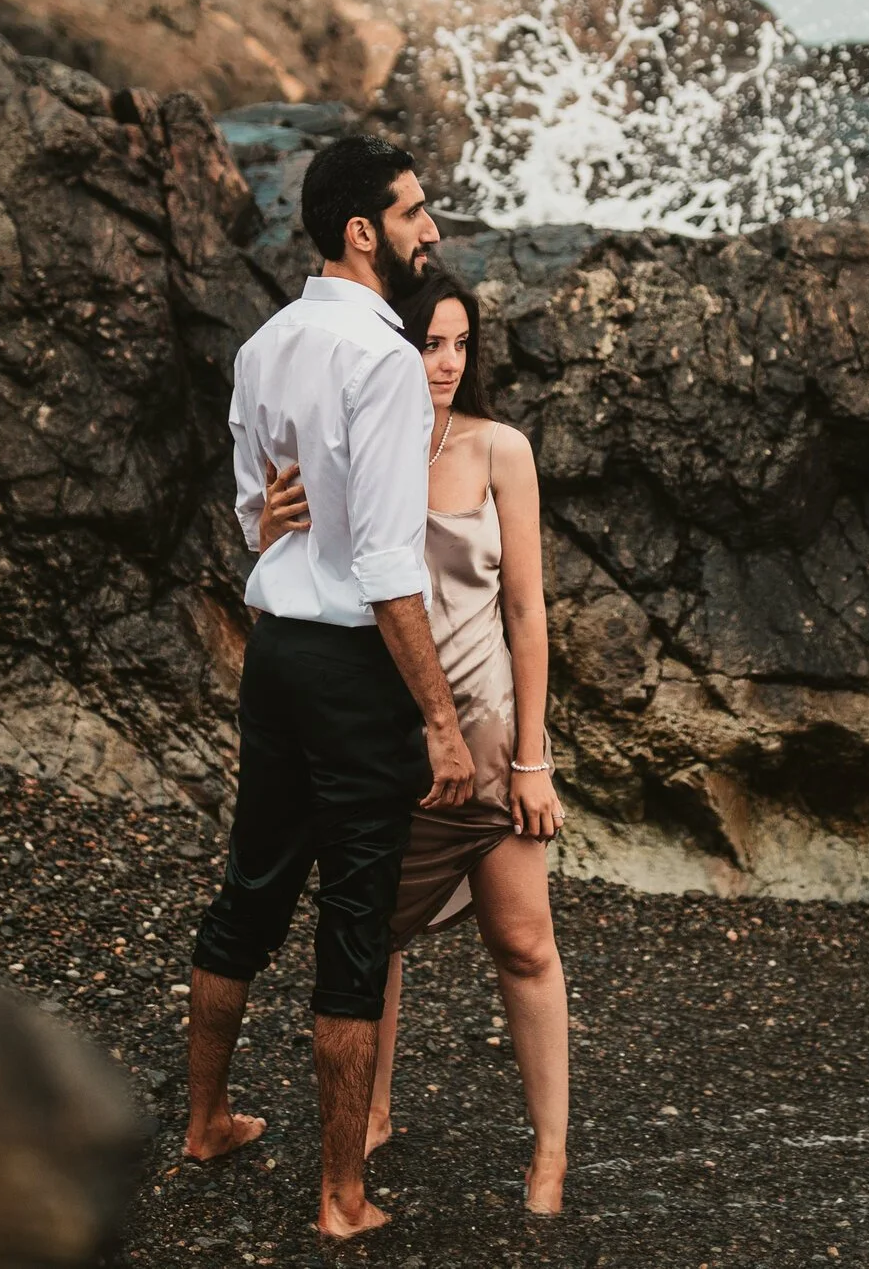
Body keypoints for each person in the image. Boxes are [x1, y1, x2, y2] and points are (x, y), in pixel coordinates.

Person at [182, 136, 475, 1242]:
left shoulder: (265, 346)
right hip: (353, 670)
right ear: (362, 231)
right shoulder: (386, 361)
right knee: (353, 926)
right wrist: (441, 720)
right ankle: (343, 1197)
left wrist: (277, 527)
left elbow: (255, 517)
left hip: (277, 658)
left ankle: (206, 1121)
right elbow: (392, 571)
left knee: (250, 891)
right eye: (412, 213)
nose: (428, 231)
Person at [256, 266, 571, 1214]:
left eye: (461, 344)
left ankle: (550, 1156)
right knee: (373, 935)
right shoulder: (361, 445)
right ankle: (373, 1112)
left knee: (525, 941)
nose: (446, 362)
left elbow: (527, 614)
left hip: (491, 738)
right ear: (394, 344)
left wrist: (533, 757)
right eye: (430, 342)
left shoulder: (501, 448)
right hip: (390, 740)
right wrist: (262, 525)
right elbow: (303, 572)